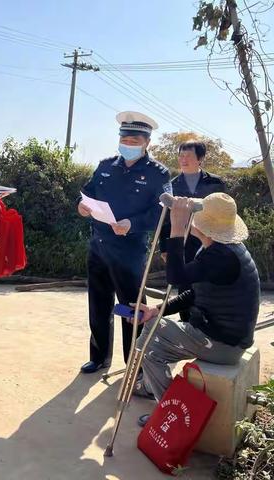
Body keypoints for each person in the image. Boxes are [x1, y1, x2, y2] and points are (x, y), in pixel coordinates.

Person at [134, 193, 260, 425]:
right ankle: (150, 385)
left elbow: (174, 276)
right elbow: (196, 292)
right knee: (154, 327)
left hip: (223, 344)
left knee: (150, 343)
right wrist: (158, 308)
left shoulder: (221, 257)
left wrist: (177, 228)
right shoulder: (221, 248)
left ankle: (171, 414)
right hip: (221, 335)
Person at [78, 111, 172, 374]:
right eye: (125, 140)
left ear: (147, 143)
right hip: (99, 246)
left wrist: (132, 224)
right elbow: (87, 194)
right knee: (98, 304)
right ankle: (98, 357)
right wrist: (82, 206)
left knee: (133, 310)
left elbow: (161, 211)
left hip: (130, 251)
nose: (128, 145)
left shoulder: (158, 173)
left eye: (134, 141)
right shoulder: (106, 166)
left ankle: (135, 363)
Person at [159, 140, 226, 321]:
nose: (183, 159)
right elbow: (165, 220)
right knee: (185, 284)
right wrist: (165, 248)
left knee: (209, 285)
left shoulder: (215, 182)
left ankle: (209, 325)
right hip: (183, 243)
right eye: (181, 155)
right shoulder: (171, 186)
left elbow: (225, 213)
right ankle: (185, 322)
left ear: (200, 158)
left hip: (209, 242)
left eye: (188, 156)